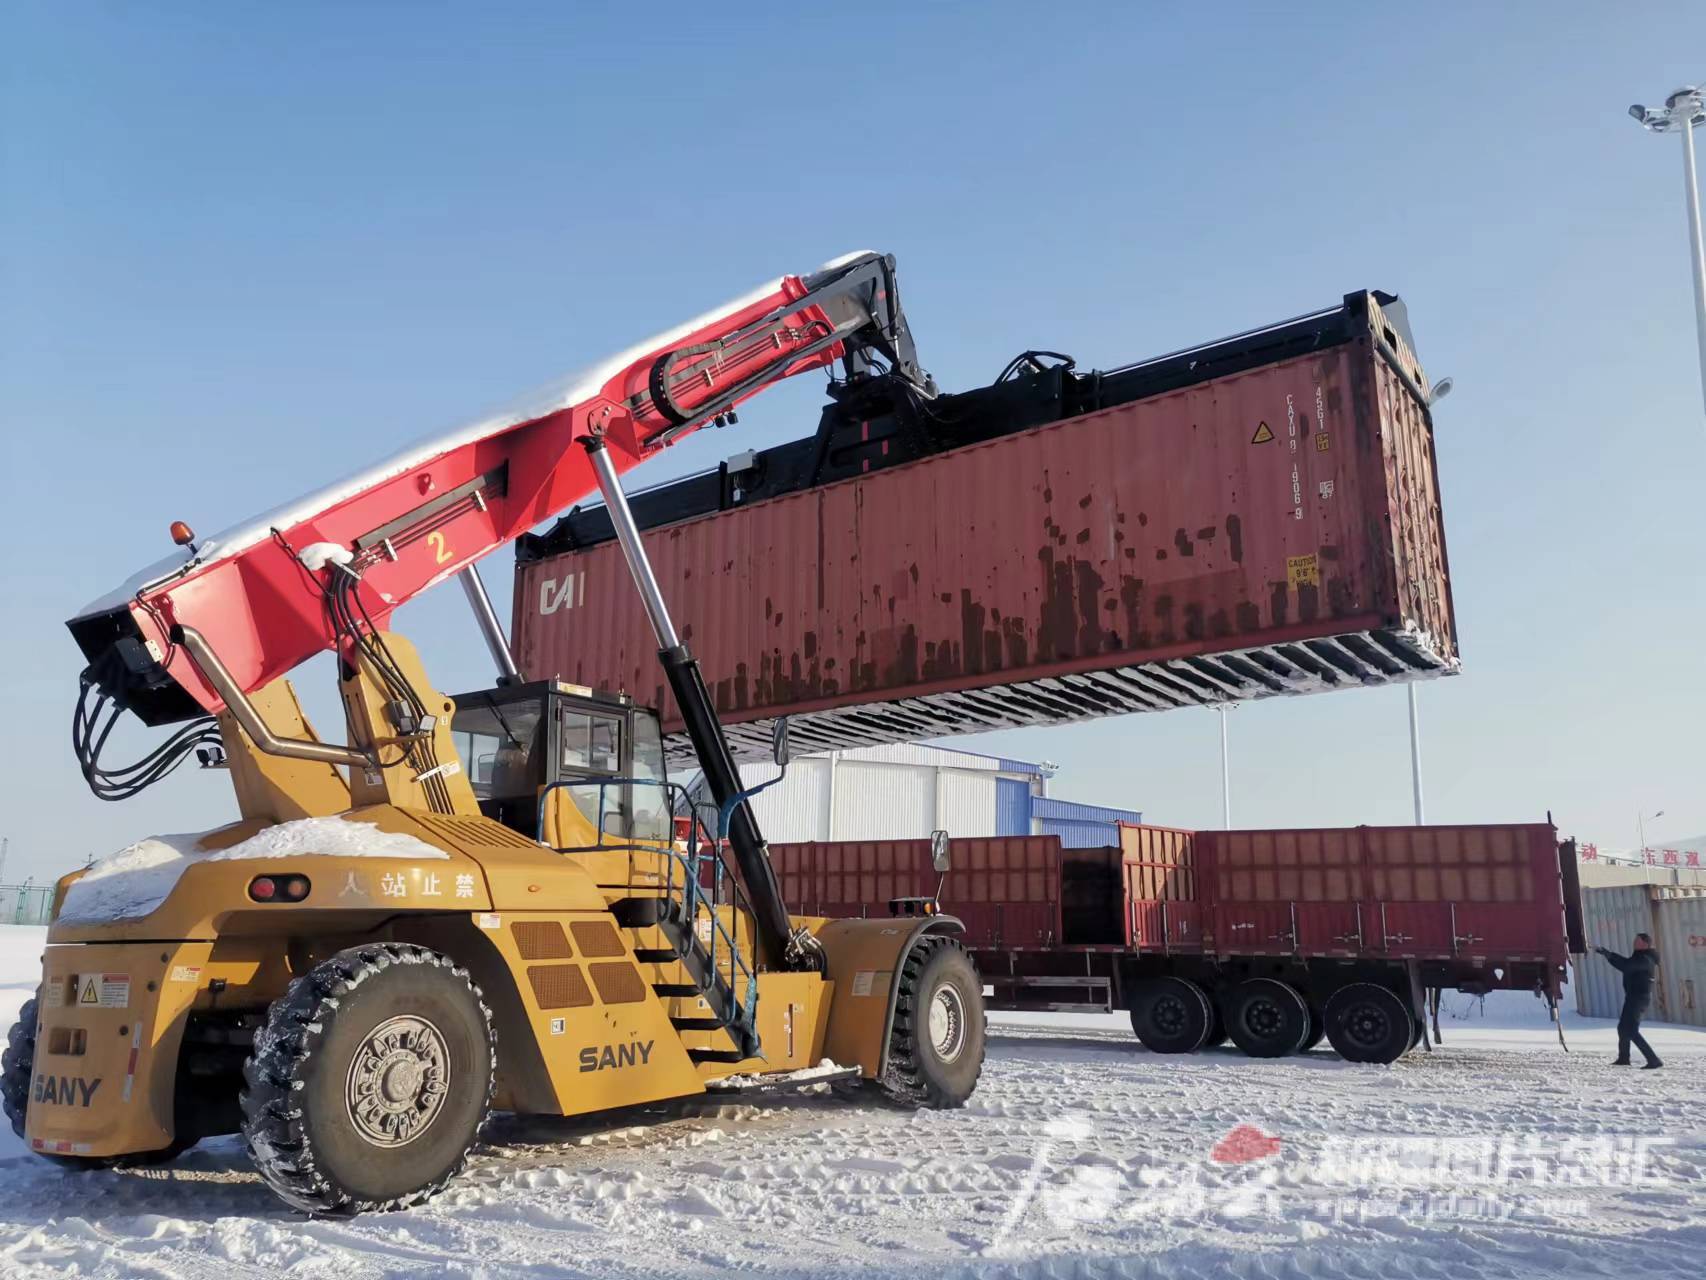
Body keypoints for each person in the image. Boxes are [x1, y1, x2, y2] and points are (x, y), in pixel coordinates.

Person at [1595, 933, 1662, 1069]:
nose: (1634, 942)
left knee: (1631, 1030)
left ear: (1645, 944)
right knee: (1623, 1028)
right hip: (1633, 997)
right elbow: (1626, 964)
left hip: (1639, 998)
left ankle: (1654, 1060)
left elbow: (1626, 966)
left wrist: (1609, 955)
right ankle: (1623, 1058)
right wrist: (1608, 954)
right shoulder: (1639, 957)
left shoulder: (1646, 959)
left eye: (1637, 940)